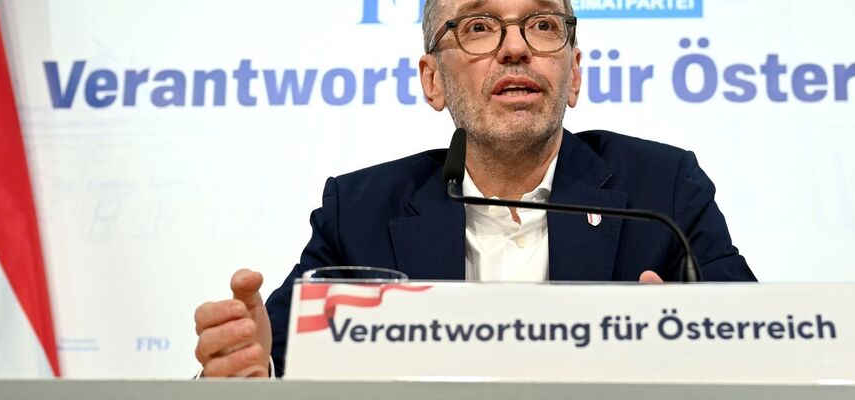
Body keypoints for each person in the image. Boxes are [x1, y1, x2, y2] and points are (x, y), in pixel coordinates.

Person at [193, 0, 755, 378]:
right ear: (432, 80)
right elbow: (271, 362)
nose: (515, 49)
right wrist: (253, 371)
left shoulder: (665, 194)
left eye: (542, 25)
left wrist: (701, 352)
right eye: (479, 26)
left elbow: (766, 356)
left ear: (575, 73)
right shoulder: (359, 213)